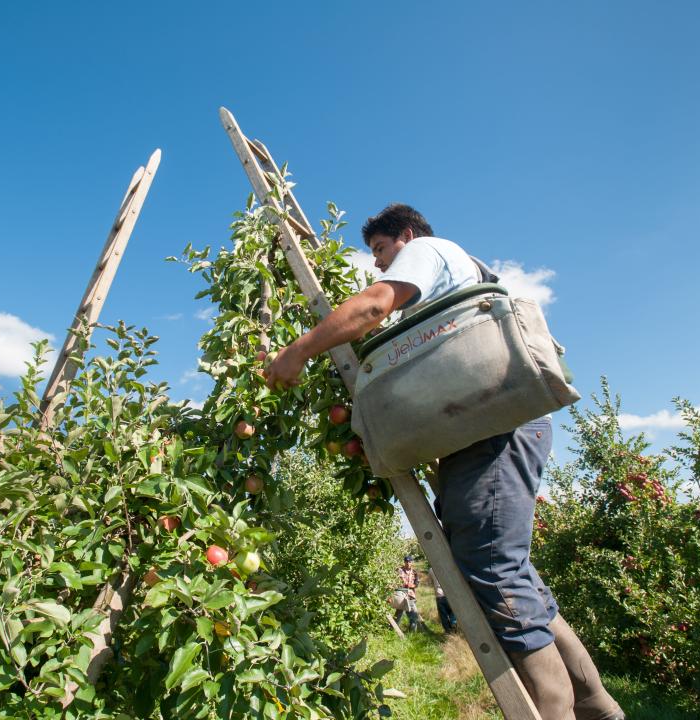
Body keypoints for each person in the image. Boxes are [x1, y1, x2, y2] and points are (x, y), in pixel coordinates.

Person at [264, 204, 623, 720]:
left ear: (406, 237)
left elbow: (373, 305)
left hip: (493, 430)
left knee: (493, 570)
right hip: (480, 431)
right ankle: (597, 707)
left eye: (382, 251)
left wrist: (298, 350)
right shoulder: (443, 286)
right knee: (505, 567)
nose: (379, 266)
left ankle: (555, 710)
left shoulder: (427, 251)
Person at [395, 555, 422, 632]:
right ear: (404, 562)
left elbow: (417, 583)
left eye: (409, 562)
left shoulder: (414, 572)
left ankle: (412, 631)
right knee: (398, 614)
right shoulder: (399, 570)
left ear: (412, 562)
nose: (408, 563)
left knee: (414, 614)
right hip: (401, 594)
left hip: (410, 595)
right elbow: (393, 582)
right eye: (406, 561)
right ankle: (393, 630)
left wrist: (412, 585)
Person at [428, 567, 457, 633]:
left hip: (439, 595)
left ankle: (448, 631)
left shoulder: (431, 570)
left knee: (443, 615)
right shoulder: (447, 566)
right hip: (450, 595)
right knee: (453, 611)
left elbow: (430, 582)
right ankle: (453, 622)